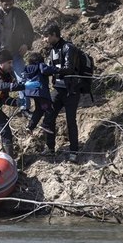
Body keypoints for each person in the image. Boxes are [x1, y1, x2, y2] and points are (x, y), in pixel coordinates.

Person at [0, 0, 35, 111]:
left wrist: (26, 44)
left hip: (15, 53)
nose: (8, 6)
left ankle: (25, 107)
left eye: (11, 3)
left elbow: (29, 30)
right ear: (0, 2)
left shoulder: (19, 13)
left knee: (21, 78)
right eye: (5, 4)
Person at [41, 23, 81, 163]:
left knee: (71, 121)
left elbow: (69, 68)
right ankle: (50, 148)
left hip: (71, 91)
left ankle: (74, 151)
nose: (44, 40)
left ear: (53, 34)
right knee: (48, 115)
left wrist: (52, 70)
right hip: (57, 89)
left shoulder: (68, 47)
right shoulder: (52, 50)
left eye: (46, 37)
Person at [23, 51, 56, 135]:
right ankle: (45, 124)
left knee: (39, 110)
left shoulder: (27, 68)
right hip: (40, 92)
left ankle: (30, 127)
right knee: (49, 109)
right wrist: (57, 69)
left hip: (31, 92)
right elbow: (47, 70)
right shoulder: (40, 65)